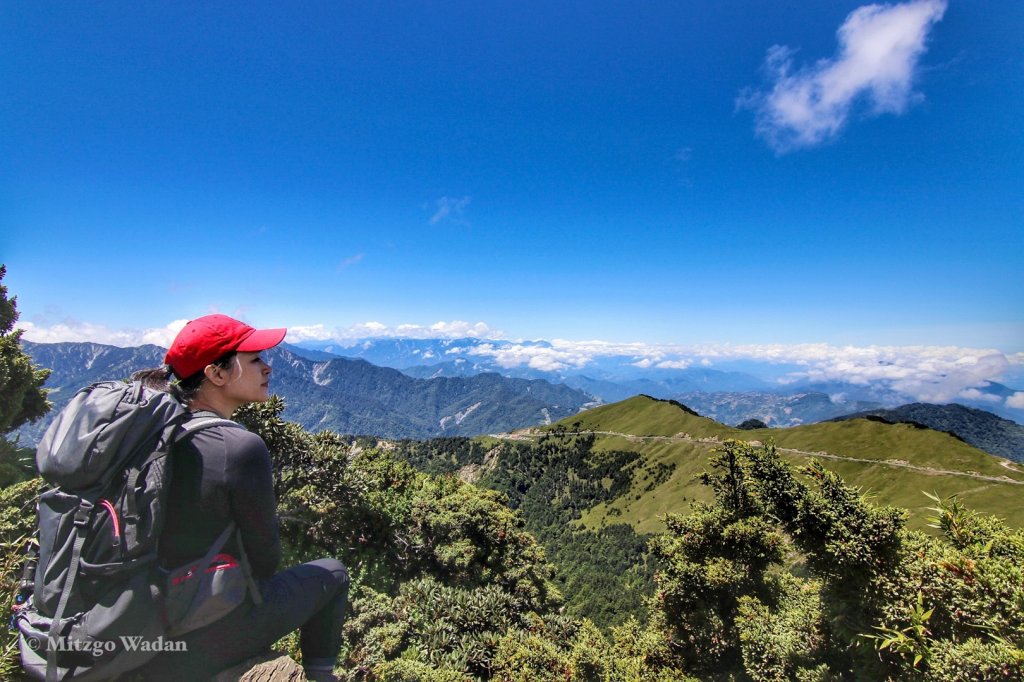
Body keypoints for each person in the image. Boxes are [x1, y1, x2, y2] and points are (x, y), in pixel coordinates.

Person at [130, 314, 348, 682]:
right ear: (216, 374)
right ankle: (321, 676)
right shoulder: (238, 447)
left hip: (134, 628)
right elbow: (265, 562)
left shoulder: (150, 433)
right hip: (195, 640)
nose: (267, 366)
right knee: (334, 573)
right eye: (254, 359)